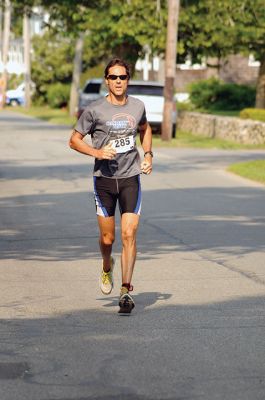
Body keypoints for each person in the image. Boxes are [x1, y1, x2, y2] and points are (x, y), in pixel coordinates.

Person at [69, 58, 153, 314]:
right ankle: (107, 265)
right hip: (103, 180)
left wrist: (148, 154)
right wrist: (97, 152)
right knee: (109, 238)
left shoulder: (138, 106)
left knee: (129, 234)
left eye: (123, 77)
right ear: (107, 80)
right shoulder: (94, 110)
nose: (118, 81)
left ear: (128, 79)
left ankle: (126, 290)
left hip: (130, 178)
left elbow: (145, 128)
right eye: (113, 77)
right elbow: (74, 141)